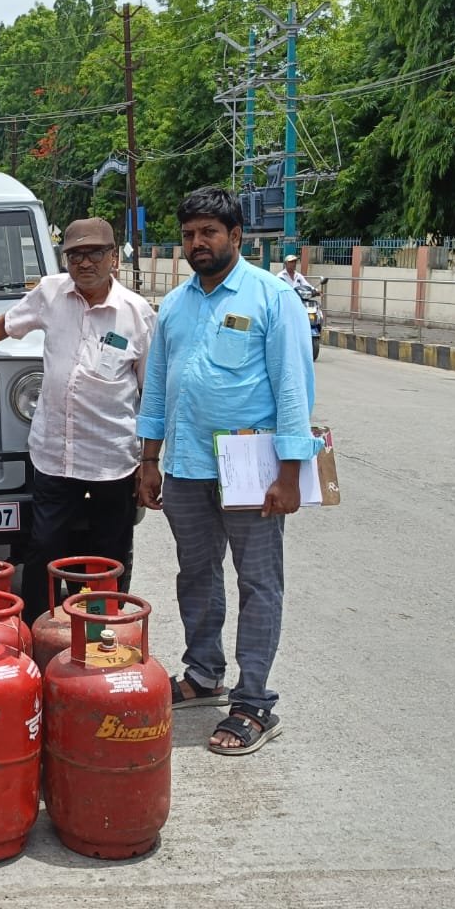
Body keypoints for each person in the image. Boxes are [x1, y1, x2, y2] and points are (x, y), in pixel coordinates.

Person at [136, 186, 321, 756]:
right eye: (189, 234)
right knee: (195, 573)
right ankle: (203, 673)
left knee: (258, 582)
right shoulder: (174, 305)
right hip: (187, 466)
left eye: (208, 233)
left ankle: (255, 701)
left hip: (253, 470)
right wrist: (148, 459)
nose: (197, 244)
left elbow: (293, 387)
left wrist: (289, 473)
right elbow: (159, 387)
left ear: (236, 237)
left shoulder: (272, 298)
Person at [0, 217, 153, 624]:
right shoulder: (50, 293)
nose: (84, 263)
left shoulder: (138, 315)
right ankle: (35, 635)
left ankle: (96, 636)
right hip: (53, 455)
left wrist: (150, 462)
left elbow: (153, 395)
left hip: (112, 460)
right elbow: (4, 325)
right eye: (75, 255)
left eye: (94, 253)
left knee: (106, 556)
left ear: (113, 257)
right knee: (43, 548)